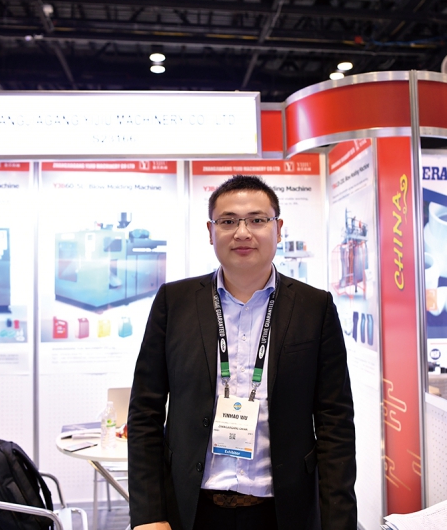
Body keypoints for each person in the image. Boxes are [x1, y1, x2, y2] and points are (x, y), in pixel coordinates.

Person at [127, 174, 356, 530]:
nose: (243, 232)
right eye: (228, 221)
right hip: (190, 511)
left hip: (283, 512)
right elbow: (145, 413)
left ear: (278, 228)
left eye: (257, 220)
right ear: (211, 231)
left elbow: (335, 423)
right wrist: (148, 516)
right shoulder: (175, 302)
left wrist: (338, 522)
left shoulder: (315, 307)